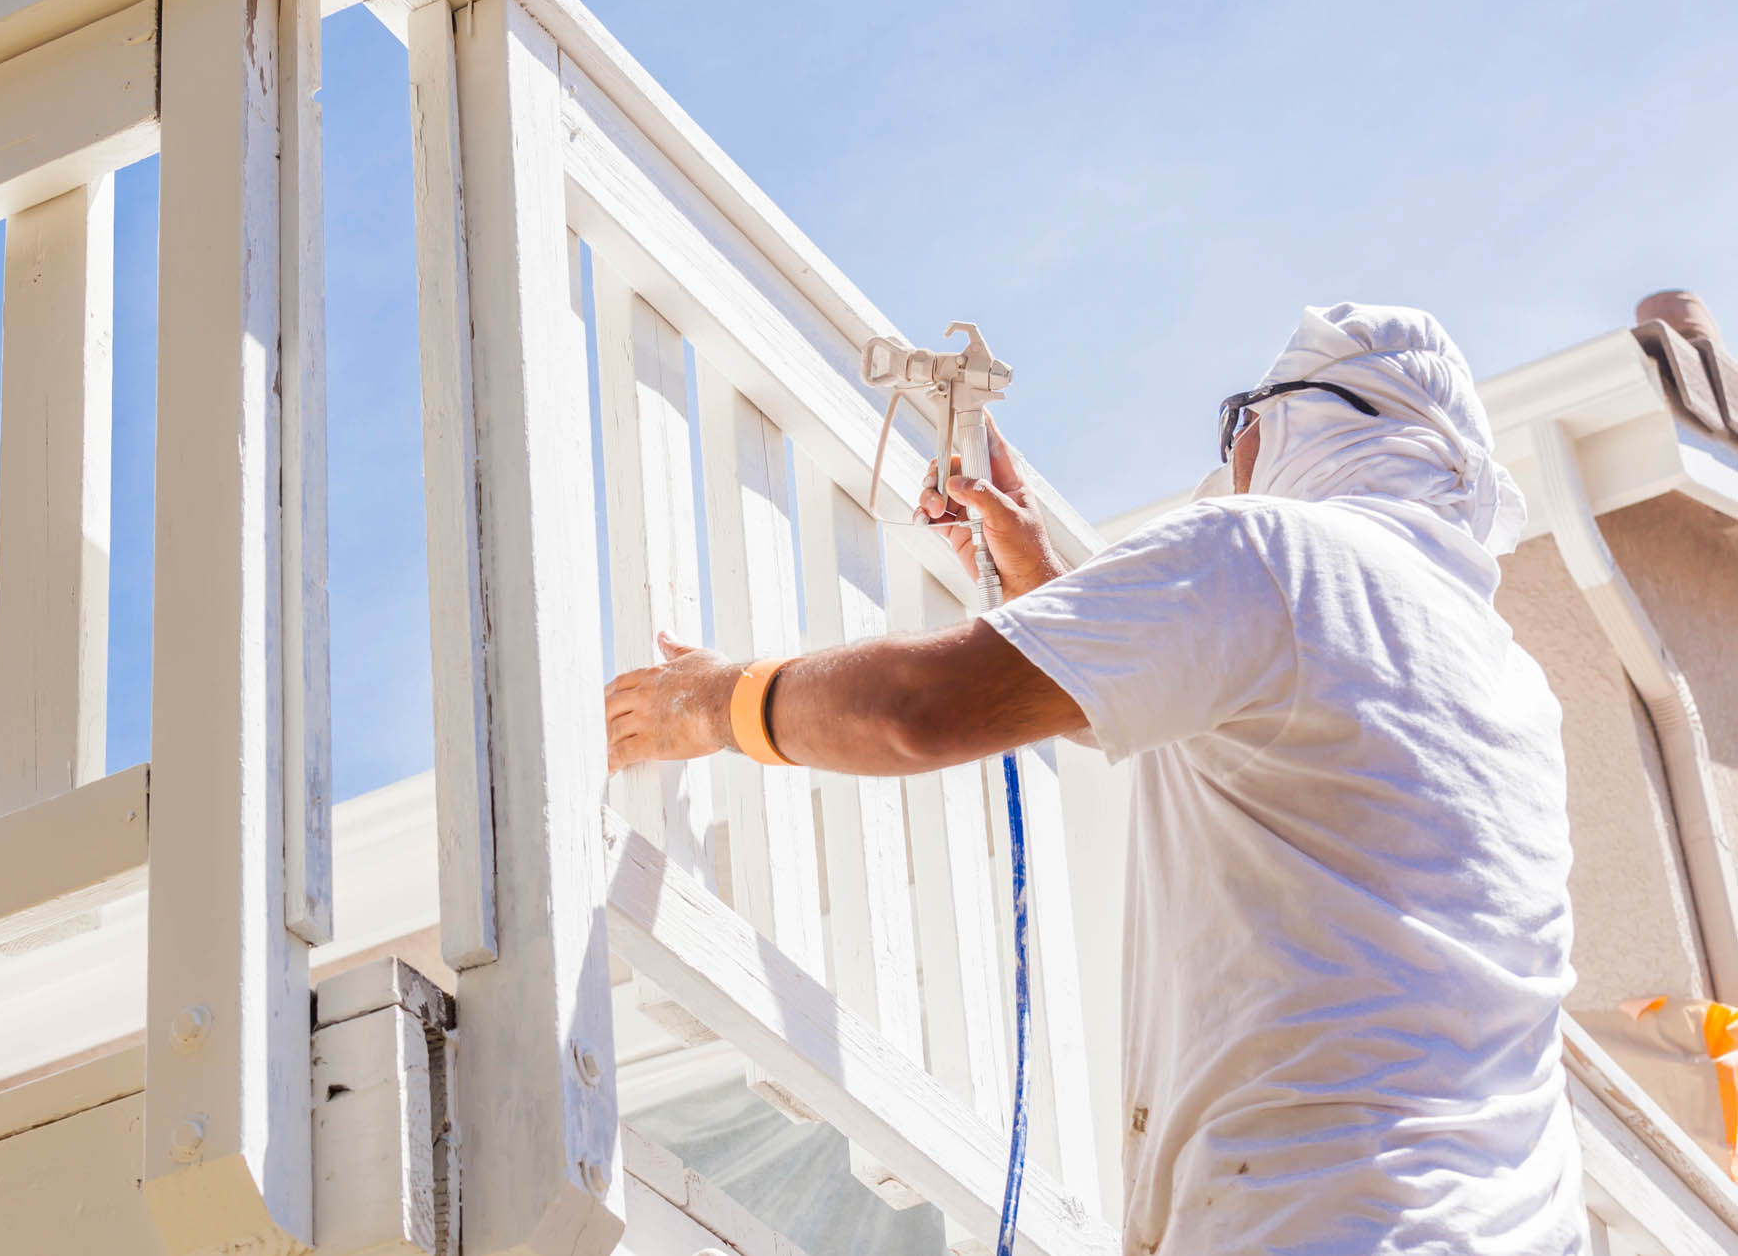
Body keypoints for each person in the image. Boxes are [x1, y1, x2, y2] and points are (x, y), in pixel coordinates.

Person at [603, 304, 1584, 1256]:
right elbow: (1240, 726)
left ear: (1285, 424)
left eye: (1237, 421)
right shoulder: (1510, 689)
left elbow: (917, 707)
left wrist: (721, 700)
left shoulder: (1278, 555)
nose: (1229, 459)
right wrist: (1042, 579)